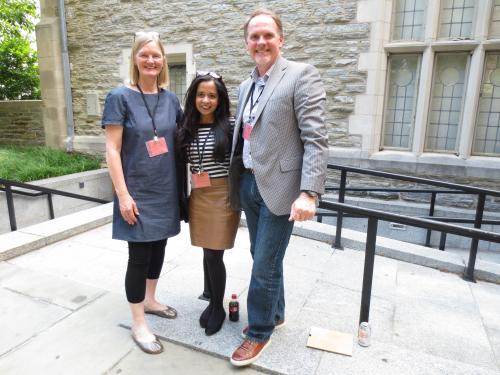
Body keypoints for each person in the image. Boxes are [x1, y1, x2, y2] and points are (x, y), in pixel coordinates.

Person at [228, 9, 328, 366]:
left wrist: (310, 192)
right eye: (254, 36)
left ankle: (258, 333)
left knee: (264, 265)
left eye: (267, 35)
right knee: (263, 255)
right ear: (246, 44)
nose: (261, 42)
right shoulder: (245, 85)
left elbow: (316, 138)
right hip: (249, 183)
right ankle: (276, 313)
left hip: (283, 188)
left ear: (280, 39)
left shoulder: (301, 75)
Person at [101, 31, 183, 355]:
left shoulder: (171, 99)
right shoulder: (119, 97)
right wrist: (122, 195)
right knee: (139, 256)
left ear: (163, 60)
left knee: (159, 247)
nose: (151, 60)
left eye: (156, 55)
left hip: (164, 189)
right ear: (135, 59)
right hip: (136, 190)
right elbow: (111, 149)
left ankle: (150, 300)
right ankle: (138, 322)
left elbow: (184, 138)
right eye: (144, 55)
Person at [178, 72, 240, 336]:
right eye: (201, 94)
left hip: (222, 196)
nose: (206, 100)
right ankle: (211, 299)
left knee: (215, 254)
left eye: (212, 95)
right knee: (206, 251)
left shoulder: (230, 125)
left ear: (220, 99)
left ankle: (218, 307)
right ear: (193, 97)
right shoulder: (187, 127)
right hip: (199, 195)